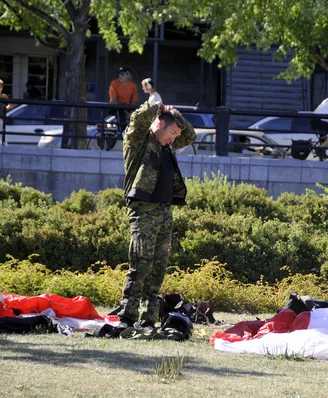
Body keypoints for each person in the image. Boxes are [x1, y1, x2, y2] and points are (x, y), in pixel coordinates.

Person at [115, 100, 196, 334]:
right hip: (143, 210)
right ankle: (127, 316)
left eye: (174, 135)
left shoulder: (166, 144)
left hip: (164, 210)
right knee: (141, 264)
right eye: (171, 133)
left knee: (158, 267)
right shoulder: (138, 141)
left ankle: (148, 318)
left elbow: (189, 135)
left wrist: (174, 114)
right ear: (159, 124)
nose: (174, 139)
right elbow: (138, 119)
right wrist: (156, 106)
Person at [109, 66, 138, 131]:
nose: (120, 76)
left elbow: (134, 102)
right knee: (120, 111)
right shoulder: (114, 83)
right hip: (116, 107)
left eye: (122, 74)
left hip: (127, 108)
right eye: (119, 74)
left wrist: (130, 113)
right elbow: (113, 101)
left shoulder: (133, 86)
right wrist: (126, 113)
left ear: (128, 75)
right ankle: (121, 131)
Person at [0, 79, 14, 145]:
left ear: (2, 88)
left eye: (0, 87)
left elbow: (11, 105)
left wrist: (4, 108)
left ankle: (4, 149)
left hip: (1, 118)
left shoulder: (4, 96)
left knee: (3, 138)